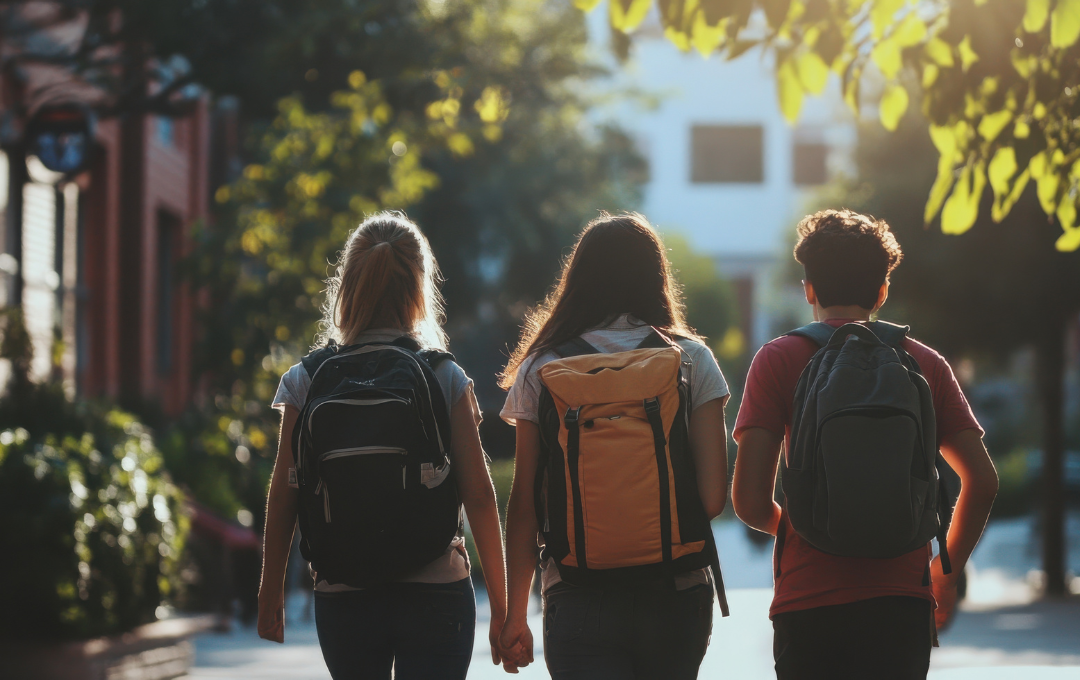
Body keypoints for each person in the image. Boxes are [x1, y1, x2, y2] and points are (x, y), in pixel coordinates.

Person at [732, 209, 999, 680]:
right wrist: (947, 569)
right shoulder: (924, 364)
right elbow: (981, 478)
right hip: (900, 601)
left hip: (808, 601)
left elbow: (751, 503)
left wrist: (808, 528)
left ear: (808, 288)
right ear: (883, 291)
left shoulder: (776, 360)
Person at [257, 212, 509, 679]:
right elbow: (478, 494)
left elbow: (285, 494)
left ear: (349, 284)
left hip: (344, 595)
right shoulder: (442, 375)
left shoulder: (306, 380)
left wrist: (270, 593)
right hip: (436, 593)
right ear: (419, 287)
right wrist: (502, 607)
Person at [497, 212, 730, 679]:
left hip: (579, 594)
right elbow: (711, 499)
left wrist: (513, 615)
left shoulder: (542, 367)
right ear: (657, 276)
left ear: (577, 280)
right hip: (675, 594)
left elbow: (524, 504)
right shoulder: (691, 359)